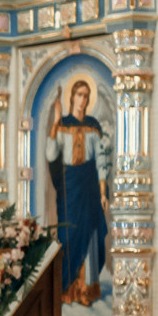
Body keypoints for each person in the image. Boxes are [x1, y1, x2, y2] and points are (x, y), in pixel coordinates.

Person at [46, 80, 112, 304]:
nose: (82, 100)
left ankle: (86, 289)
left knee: (91, 235)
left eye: (86, 96)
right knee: (69, 235)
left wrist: (103, 192)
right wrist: (55, 121)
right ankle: (68, 287)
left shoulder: (93, 126)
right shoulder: (62, 124)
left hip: (90, 187)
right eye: (79, 95)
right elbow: (51, 154)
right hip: (70, 188)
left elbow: (101, 160)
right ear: (72, 97)